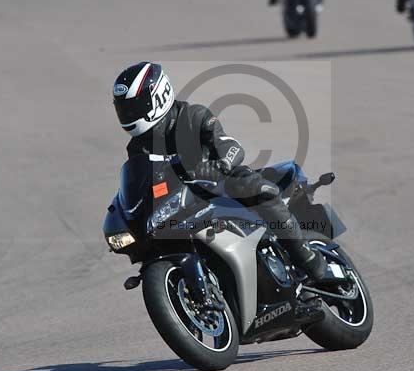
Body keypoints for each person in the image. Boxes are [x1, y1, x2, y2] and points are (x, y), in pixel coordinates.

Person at [111, 61, 344, 285]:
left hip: (221, 181)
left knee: (258, 190)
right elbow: (141, 179)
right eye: (124, 109)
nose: (129, 114)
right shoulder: (138, 147)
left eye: (134, 107)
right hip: (182, 201)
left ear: (158, 96)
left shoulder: (192, 116)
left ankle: (309, 259)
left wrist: (221, 163)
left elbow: (231, 146)